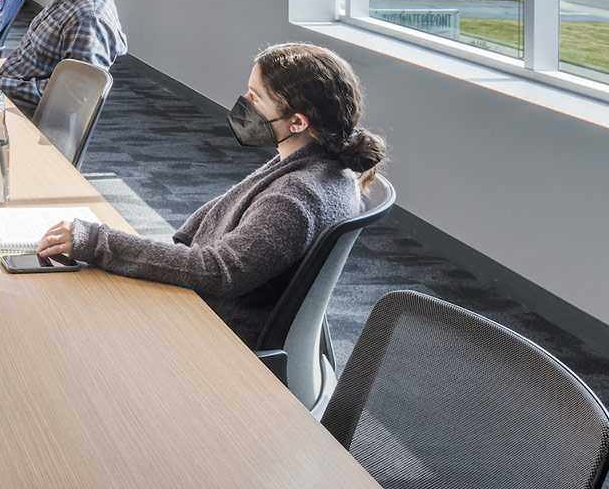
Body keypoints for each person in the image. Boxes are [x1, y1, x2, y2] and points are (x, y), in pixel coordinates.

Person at [35, 42, 386, 347]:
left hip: (219, 330)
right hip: (223, 311)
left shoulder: (296, 197)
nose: (244, 103)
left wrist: (97, 242)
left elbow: (219, 271)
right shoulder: (317, 165)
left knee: (67, 318)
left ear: (297, 122)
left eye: (256, 97)